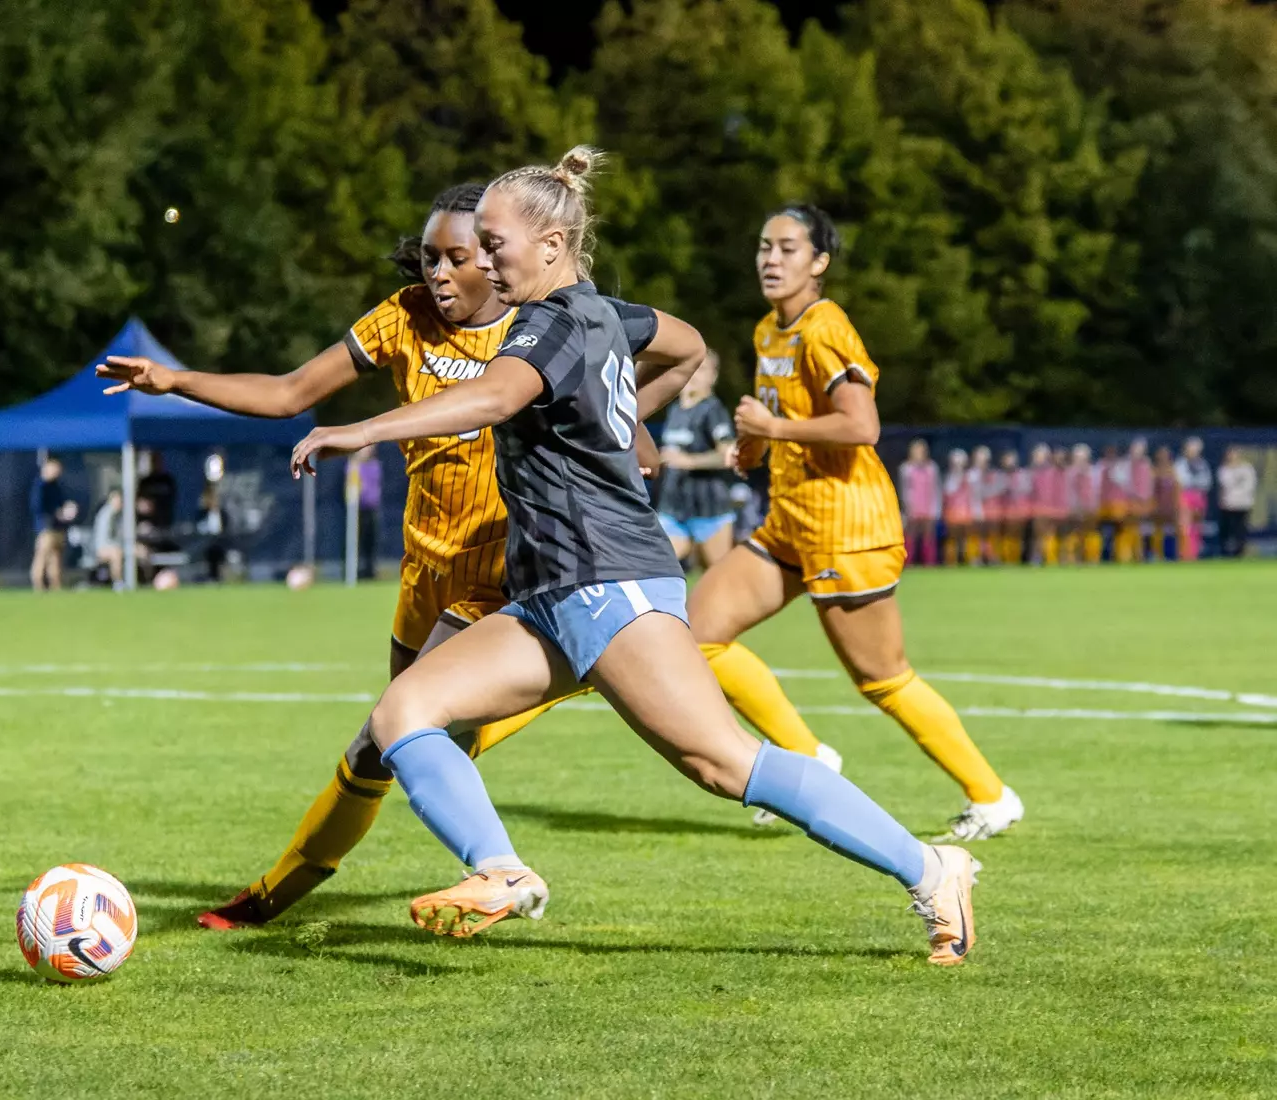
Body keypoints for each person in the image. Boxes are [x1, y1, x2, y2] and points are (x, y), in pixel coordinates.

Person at [290, 151, 981, 964]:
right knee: (402, 713)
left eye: (494, 244)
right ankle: (501, 871)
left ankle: (933, 869)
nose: (484, 262)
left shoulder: (548, 323)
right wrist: (628, 423)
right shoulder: (603, 314)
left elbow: (496, 396)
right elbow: (685, 345)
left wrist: (362, 430)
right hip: (550, 595)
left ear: (552, 244)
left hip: (610, 583)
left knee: (724, 764)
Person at [98, 183, 819, 928]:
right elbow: (290, 393)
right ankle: (543, 750)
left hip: (504, 575)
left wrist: (625, 423)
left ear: (497, 257)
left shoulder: (541, 323)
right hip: (424, 573)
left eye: (458, 257)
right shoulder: (404, 317)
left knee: (390, 730)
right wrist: (175, 381)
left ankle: (295, 895)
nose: (438, 273)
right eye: (429, 257)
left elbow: (655, 370)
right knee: (391, 743)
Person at [690, 203, 1023, 841]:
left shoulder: (825, 328)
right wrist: (755, 445)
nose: (771, 258)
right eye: (764, 246)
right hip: (791, 520)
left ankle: (991, 796)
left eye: (788, 248)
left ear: (819, 263)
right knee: (695, 634)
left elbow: (862, 425)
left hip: (848, 526)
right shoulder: (768, 331)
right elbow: (778, 414)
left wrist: (772, 427)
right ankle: (806, 760)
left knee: (882, 679)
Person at [655, 349, 740, 569]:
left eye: (702, 370)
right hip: (673, 509)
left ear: (713, 376)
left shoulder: (713, 410)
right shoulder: (675, 410)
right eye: (691, 367)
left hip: (709, 510)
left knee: (717, 576)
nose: (694, 374)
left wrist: (689, 461)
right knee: (656, 568)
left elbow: (729, 455)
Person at [29, 458, 74, 591]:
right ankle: (38, 584)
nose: (57, 472)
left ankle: (56, 585)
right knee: (42, 555)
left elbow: (61, 503)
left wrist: (67, 509)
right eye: (54, 469)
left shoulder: (56, 486)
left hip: (58, 527)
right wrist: (56, 513)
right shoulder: (40, 486)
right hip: (46, 528)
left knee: (56, 557)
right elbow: (38, 507)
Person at [898, 439, 940, 566]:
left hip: (928, 505)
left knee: (928, 535)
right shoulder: (906, 468)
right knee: (911, 534)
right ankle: (908, 561)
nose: (919, 453)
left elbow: (935, 489)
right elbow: (904, 489)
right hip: (912, 506)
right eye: (916, 450)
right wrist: (907, 507)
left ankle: (929, 562)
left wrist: (935, 509)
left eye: (921, 450)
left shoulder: (932, 467)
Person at [348, 445, 384, 580]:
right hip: (356, 510)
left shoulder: (375, 466)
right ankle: (354, 570)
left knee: (370, 541)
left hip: (371, 509)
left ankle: (369, 571)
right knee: (356, 541)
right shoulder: (353, 466)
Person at [1028, 443, 1066, 565]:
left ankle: (1052, 559)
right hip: (1037, 508)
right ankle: (1037, 558)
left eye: (1043, 456)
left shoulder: (1054, 472)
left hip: (1052, 508)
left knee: (1052, 534)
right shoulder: (1030, 472)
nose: (1040, 459)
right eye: (1038, 456)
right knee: (1038, 536)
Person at [1176, 437, 1213, 561]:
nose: (1193, 451)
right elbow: (1181, 481)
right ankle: (1185, 554)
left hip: (1199, 496)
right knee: (1185, 527)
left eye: (1195, 449)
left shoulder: (1202, 464)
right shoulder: (1180, 464)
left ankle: (1194, 554)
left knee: (1197, 527)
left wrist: (1197, 485)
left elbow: (1207, 481)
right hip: (1185, 496)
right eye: (1190, 449)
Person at [1217, 446, 1257, 558]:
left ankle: (1239, 553)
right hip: (1228, 505)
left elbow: (1250, 486)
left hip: (1243, 504)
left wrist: (1237, 495)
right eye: (1230, 454)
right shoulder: (1224, 469)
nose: (1232, 456)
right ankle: (1225, 553)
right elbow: (1224, 486)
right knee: (1227, 530)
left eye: (1234, 454)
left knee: (1241, 529)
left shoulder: (1247, 468)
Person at [1120, 439, 1154, 563]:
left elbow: (1149, 484)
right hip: (1128, 500)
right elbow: (1121, 482)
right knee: (1128, 528)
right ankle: (1126, 555)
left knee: (1142, 529)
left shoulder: (1146, 464)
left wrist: (1146, 499)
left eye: (1140, 450)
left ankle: (1140, 555)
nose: (1138, 452)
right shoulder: (1124, 464)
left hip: (1143, 501)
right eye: (1136, 449)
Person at [1065, 443, 1099, 564]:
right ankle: (1072, 560)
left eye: (1083, 458)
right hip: (1073, 511)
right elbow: (1068, 493)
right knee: (1072, 534)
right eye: (1078, 458)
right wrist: (1074, 508)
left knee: (1091, 534)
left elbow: (1096, 493)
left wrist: (1090, 508)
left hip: (1090, 510)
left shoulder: (1094, 473)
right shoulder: (1069, 474)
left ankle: (1092, 559)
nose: (1080, 461)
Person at [942, 448, 973, 565]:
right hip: (953, 511)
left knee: (966, 537)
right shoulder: (949, 477)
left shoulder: (969, 476)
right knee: (952, 537)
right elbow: (949, 491)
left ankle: (966, 558)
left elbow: (973, 494)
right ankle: (951, 560)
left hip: (966, 511)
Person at [997, 449, 1028, 565]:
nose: (1010, 462)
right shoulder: (999, 475)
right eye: (1008, 460)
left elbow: (1026, 489)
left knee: (1018, 536)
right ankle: (1006, 558)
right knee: (1005, 535)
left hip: (1019, 510)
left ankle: (1017, 558)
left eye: (1012, 460)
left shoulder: (1022, 474)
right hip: (1003, 511)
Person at [92, 488, 125, 587]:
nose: (119, 502)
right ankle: (118, 583)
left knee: (142, 551)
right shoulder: (106, 515)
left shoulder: (122, 514)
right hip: (102, 548)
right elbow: (106, 539)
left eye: (120, 500)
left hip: (119, 545)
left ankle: (147, 582)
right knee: (116, 553)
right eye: (116, 499)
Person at [1151, 446, 1180, 562]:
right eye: (1161, 455)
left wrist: (1176, 505)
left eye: (1165, 455)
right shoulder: (1154, 471)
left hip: (1171, 506)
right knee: (1157, 532)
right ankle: (1157, 555)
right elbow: (1151, 491)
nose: (1163, 458)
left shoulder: (1173, 471)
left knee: (1172, 532)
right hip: (1157, 507)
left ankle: (1172, 555)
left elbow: (1177, 489)